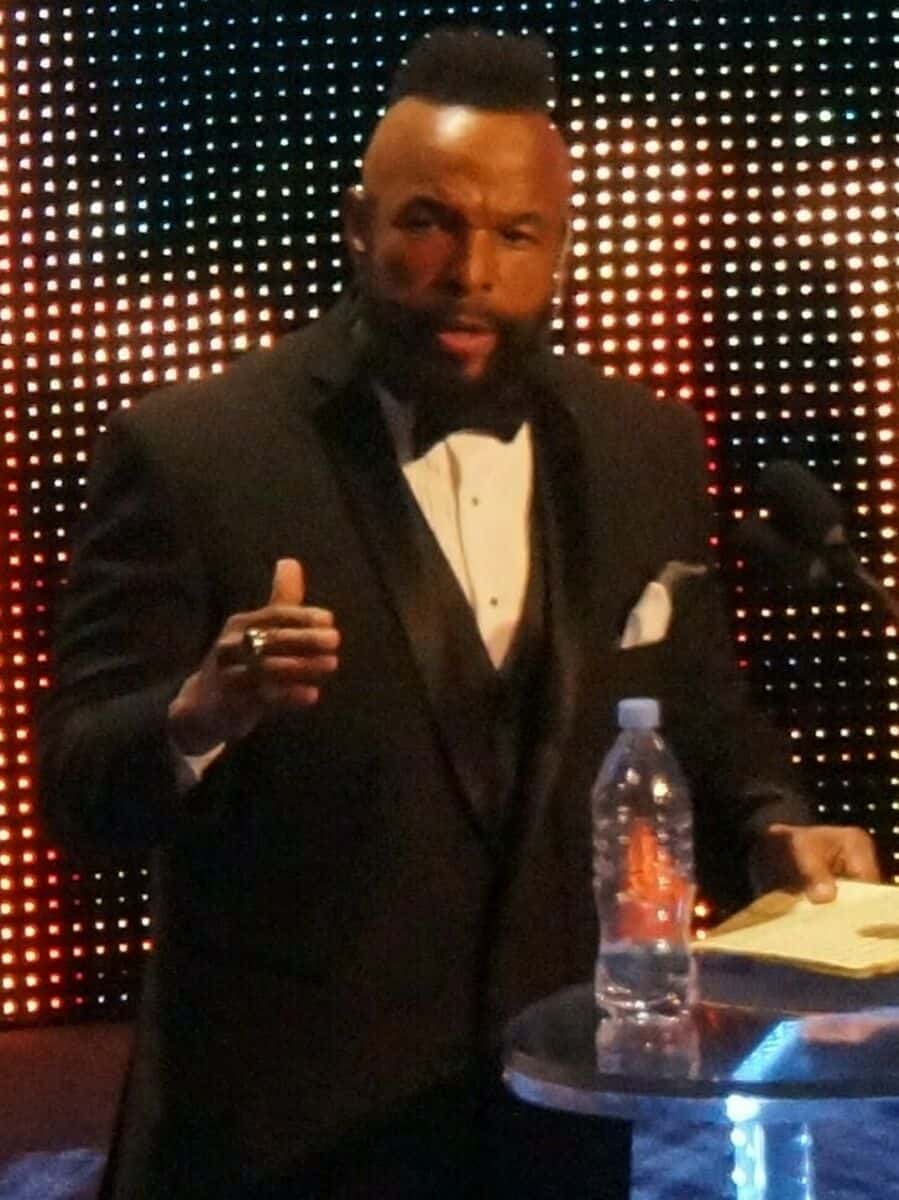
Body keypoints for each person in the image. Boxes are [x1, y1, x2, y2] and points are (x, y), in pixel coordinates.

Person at [38, 27, 880, 1200]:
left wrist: (774, 828)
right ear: (358, 227)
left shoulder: (642, 447)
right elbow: (79, 786)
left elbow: (695, 714)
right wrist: (199, 713)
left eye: (515, 234)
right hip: (279, 1137)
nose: (470, 272)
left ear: (561, 248)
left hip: (553, 1118)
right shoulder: (195, 453)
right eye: (430, 222)